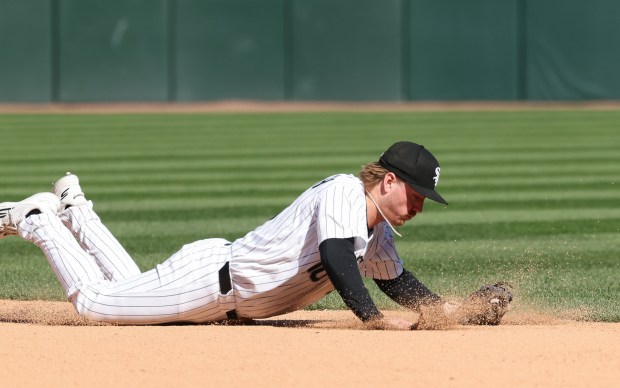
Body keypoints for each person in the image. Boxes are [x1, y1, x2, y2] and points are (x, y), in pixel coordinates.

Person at [1, 141, 454, 330]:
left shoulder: (377, 234)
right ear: (389, 181)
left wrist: (451, 313)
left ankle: (76, 210)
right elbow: (336, 256)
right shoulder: (345, 193)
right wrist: (372, 320)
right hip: (209, 282)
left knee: (124, 290)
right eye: (416, 194)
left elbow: (394, 279)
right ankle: (39, 219)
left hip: (217, 291)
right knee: (93, 305)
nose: (418, 206)